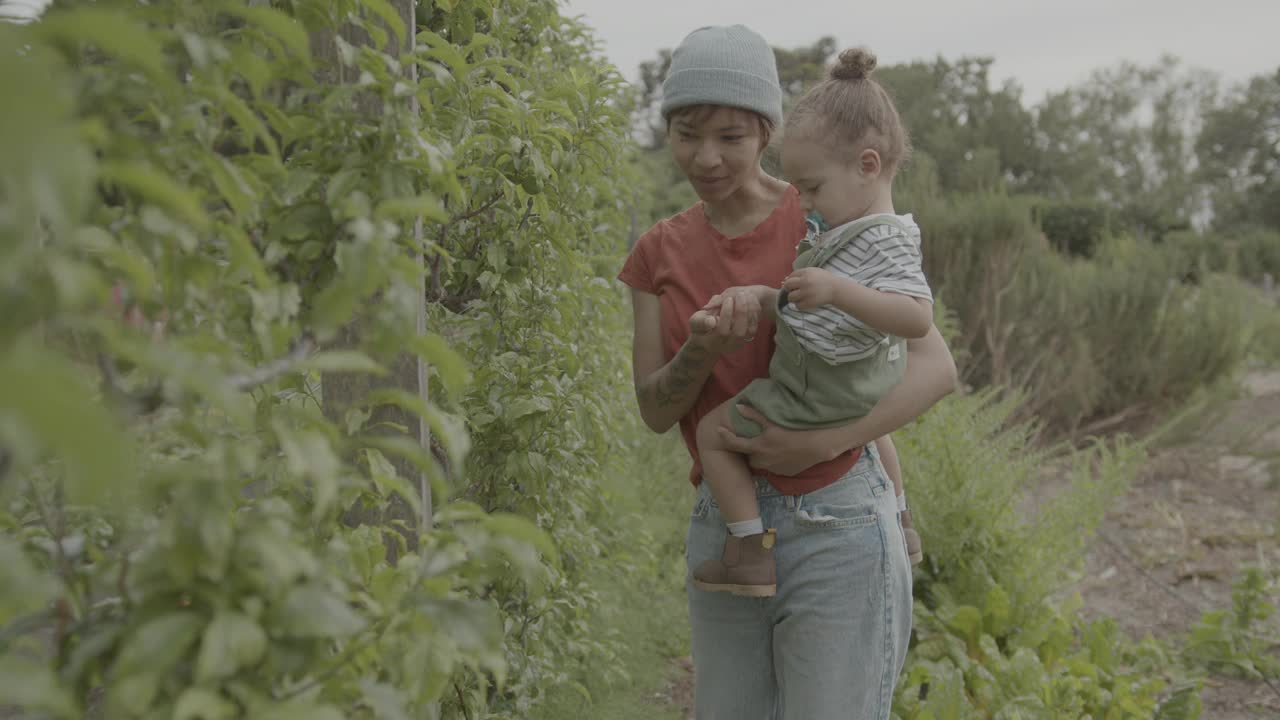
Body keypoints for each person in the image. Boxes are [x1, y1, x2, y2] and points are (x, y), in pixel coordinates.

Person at [618, 25, 956, 719]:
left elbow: (934, 364)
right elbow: (655, 411)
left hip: (835, 515)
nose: (705, 156)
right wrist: (702, 350)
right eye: (687, 133)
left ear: (766, 131)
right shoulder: (658, 253)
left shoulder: (827, 216)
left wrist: (826, 442)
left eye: (730, 136)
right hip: (728, 527)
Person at [689, 46, 933, 597]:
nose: (804, 203)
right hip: (861, 384)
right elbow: (814, 308)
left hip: (816, 388)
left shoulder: (885, 239)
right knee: (880, 431)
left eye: (814, 188)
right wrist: (771, 296)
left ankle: (748, 551)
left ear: (868, 166)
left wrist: (838, 290)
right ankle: (901, 518)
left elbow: (917, 318)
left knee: (714, 434)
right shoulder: (853, 231)